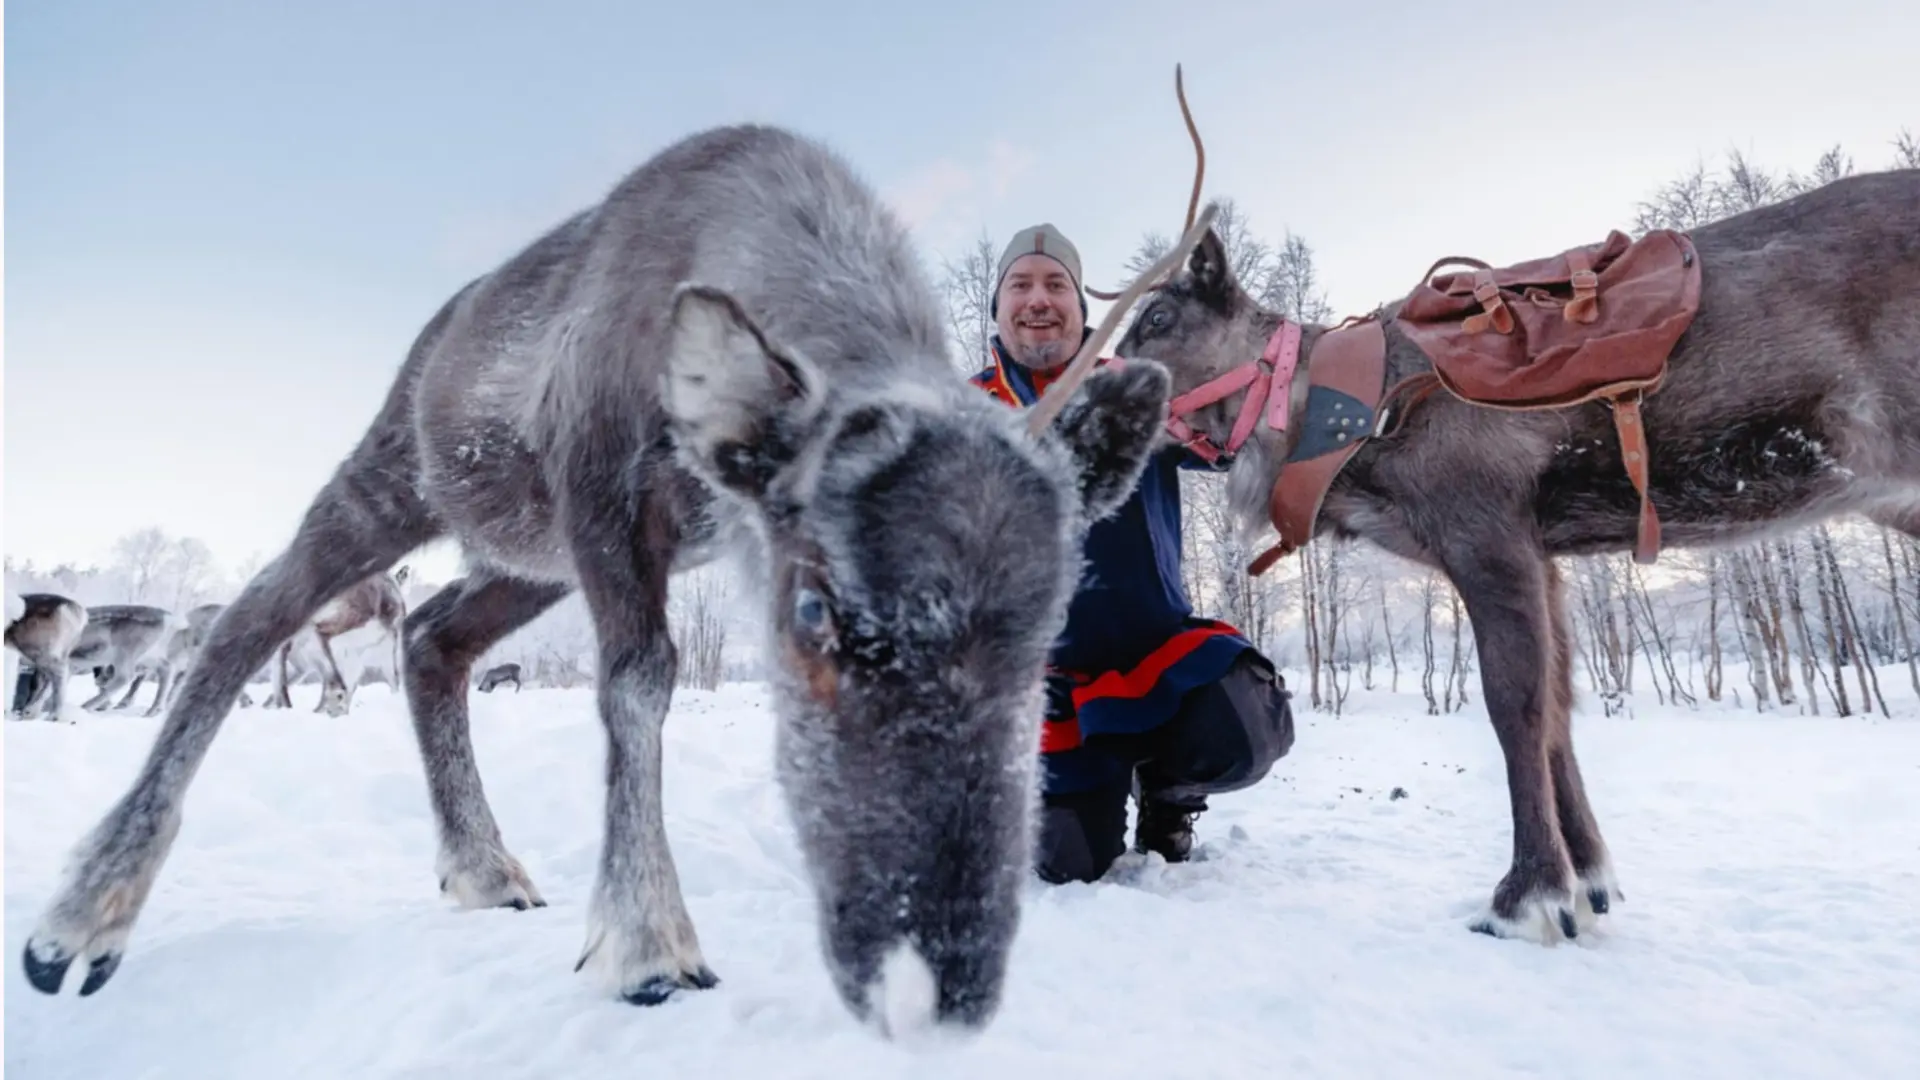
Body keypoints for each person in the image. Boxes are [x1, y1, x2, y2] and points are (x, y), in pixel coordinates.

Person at [971, 223, 1296, 884]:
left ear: (1082, 308)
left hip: (1153, 655)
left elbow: (1240, 429)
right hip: (1045, 684)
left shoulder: (1144, 382)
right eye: (1020, 285)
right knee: (1067, 864)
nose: (1039, 299)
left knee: (1245, 725)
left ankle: (1168, 793)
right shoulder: (963, 409)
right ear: (997, 308)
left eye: (1056, 284)